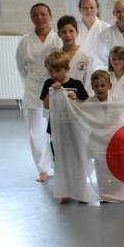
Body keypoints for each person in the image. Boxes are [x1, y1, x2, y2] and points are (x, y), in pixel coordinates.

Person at [16, 3, 62, 182]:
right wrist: (31, 82)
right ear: (31, 18)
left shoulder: (57, 38)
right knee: (36, 132)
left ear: (51, 16)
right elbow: (21, 66)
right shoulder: (25, 41)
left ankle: (59, 166)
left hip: (54, 87)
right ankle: (43, 169)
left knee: (56, 130)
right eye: (35, 15)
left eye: (43, 14)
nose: (40, 18)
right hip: (34, 89)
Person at [40, 50, 89, 178]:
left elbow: (85, 105)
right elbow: (46, 105)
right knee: (58, 156)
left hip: (74, 127)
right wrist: (52, 90)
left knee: (75, 155)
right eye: (51, 71)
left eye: (57, 70)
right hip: (56, 126)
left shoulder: (76, 84)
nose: (54, 74)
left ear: (67, 69)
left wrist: (76, 98)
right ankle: (62, 182)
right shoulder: (48, 83)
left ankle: (77, 179)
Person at [56, 15, 94, 94]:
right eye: (63, 32)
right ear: (59, 34)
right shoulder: (55, 56)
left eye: (71, 31)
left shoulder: (86, 56)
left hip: (80, 98)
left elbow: (89, 84)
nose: (68, 35)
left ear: (77, 32)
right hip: (59, 97)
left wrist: (83, 98)